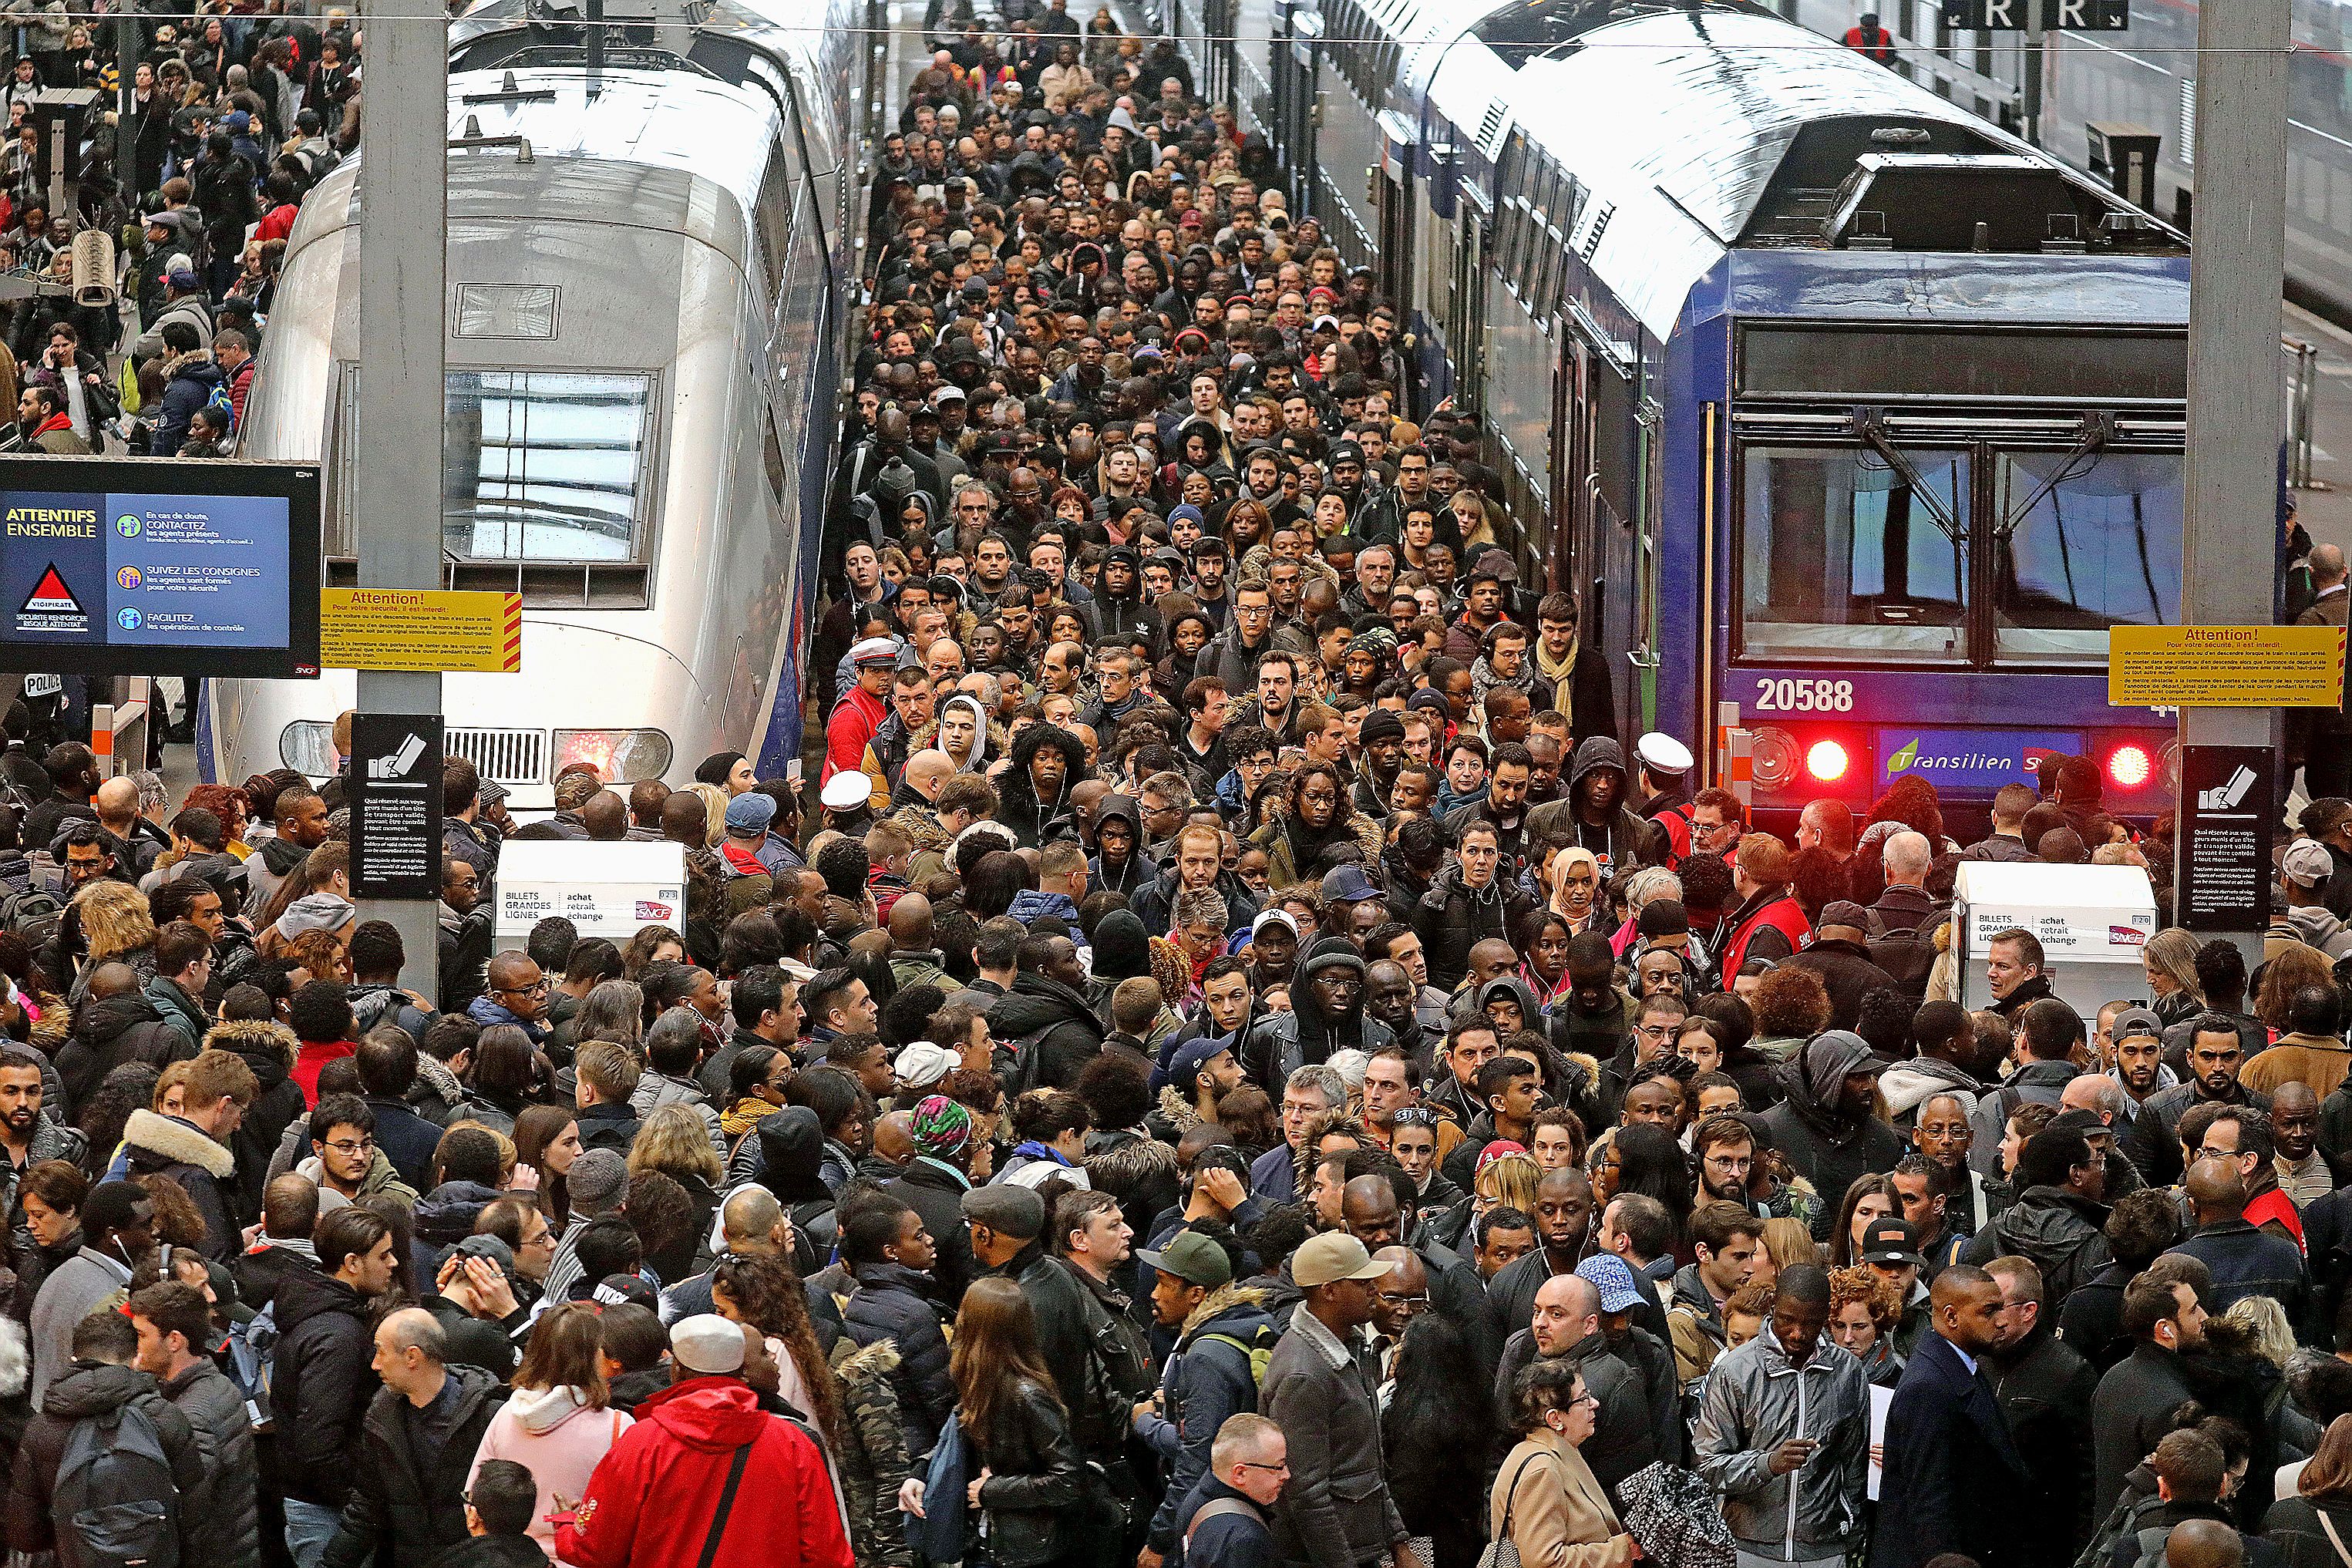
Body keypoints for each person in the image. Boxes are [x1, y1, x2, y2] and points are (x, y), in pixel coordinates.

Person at [556, 1314, 853, 1568]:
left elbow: (594, 1549)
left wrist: (569, 1523)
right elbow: (827, 1555)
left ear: (676, 1370)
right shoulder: (793, 1443)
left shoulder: (642, 1443)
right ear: (742, 1372)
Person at [1692, 1263, 1869, 1567]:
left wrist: (1851, 1531)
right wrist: (1769, 1464)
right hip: (1750, 1547)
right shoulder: (1735, 1371)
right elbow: (1708, 1464)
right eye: (1787, 1320)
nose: (1798, 1333)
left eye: (1811, 1323)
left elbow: (1855, 1464)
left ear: (1826, 1317)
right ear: (1773, 1307)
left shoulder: (1848, 1372)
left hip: (1824, 1549)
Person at [901, 1277, 1084, 1568]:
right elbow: (960, 1443)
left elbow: (1068, 1479)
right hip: (984, 1543)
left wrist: (993, 1491)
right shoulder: (981, 1385)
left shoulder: (1027, 1396)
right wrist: (920, 1473)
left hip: (1022, 1554)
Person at [7, 1307, 207, 1568]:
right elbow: (195, 1513)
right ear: (135, 1360)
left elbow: (25, 1534)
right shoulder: (165, 1417)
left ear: (74, 1359)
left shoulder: (42, 1429)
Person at [1261, 1232, 1412, 1568]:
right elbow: (1306, 1494)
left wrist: (1398, 1543)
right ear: (1328, 1291)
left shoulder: (1348, 1348)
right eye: (1363, 1283)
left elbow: (1367, 1465)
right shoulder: (1303, 1375)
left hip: (1362, 1549)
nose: (1375, 1290)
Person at [322, 1308, 510, 1568]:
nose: (375, 1364)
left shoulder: (487, 1415)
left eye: (381, 1351)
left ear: (412, 1356)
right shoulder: (382, 1416)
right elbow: (366, 1505)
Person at [1872, 1265, 2030, 1568]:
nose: (2001, 1321)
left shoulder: (1959, 1366)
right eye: (1989, 1311)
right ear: (1951, 1317)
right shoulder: (1929, 1387)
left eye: (2001, 1308)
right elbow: (1930, 1502)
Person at [467, 1303, 634, 1564]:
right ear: (594, 1358)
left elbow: (473, 1498)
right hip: (578, 1559)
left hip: (510, 1559)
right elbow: (625, 1518)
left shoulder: (507, 1413)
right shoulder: (618, 1426)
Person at [130, 1279, 260, 1568]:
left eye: (141, 1335)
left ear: (174, 1341)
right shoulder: (213, 1385)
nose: (135, 1346)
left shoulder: (192, 1416)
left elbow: (186, 1509)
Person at [1489, 1354, 1638, 1568]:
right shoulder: (1542, 1471)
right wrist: (1620, 1551)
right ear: (1555, 1419)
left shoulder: (1553, 1452)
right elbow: (1544, 1562)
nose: (1594, 1404)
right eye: (1583, 1398)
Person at [1179, 1413, 1289, 1568]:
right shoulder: (1243, 1541)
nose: (1286, 1475)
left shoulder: (1196, 1501)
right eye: (1279, 1467)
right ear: (1240, 1473)